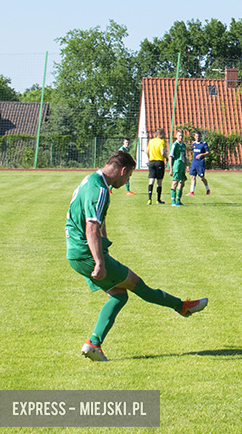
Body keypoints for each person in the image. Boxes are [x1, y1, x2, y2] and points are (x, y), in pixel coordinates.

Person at [66, 150, 208, 361]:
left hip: (75, 253)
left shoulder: (90, 180)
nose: (126, 181)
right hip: (86, 253)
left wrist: (104, 244)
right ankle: (182, 306)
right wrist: (99, 262)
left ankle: (93, 344)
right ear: (123, 171)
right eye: (128, 177)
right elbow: (91, 227)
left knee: (119, 295)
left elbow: (95, 219)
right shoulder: (100, 190)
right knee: (137, 284)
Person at [146, 128, 168, 205]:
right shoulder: (161, 142)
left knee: (151, 181)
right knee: (159, 182)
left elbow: (147, 151)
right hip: (159, 162)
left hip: (151, 162)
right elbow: (162, 153)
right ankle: (158, 200)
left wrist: (150, 157)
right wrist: (166, 157)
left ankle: (149, 199)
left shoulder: (151, 141)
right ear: (160, 134)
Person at [187, 131, 211, 196]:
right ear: (194, 137)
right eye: (196, 136)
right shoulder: (194, 144)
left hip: (200, 163)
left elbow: (208, 152)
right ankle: (192, 192)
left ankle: (207, 189)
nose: (197, 138)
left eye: (199, 136)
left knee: (201, 178)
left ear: (200, 136)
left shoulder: (203, 143)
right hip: (194, 163)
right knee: (192, 176)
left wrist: (201, 154)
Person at [169, 130, 187, 207]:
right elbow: (170, 156)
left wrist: (188, 165)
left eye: (182, 135)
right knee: (175, 183)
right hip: (176, 166)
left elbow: (185, 156)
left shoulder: (183, 145)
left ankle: (178, 200)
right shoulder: (175, 145)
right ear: (176, 136)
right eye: (179, 135)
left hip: (182, 167)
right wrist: (171, 168)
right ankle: (173, 201)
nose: (181, 137)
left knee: (182, 182)